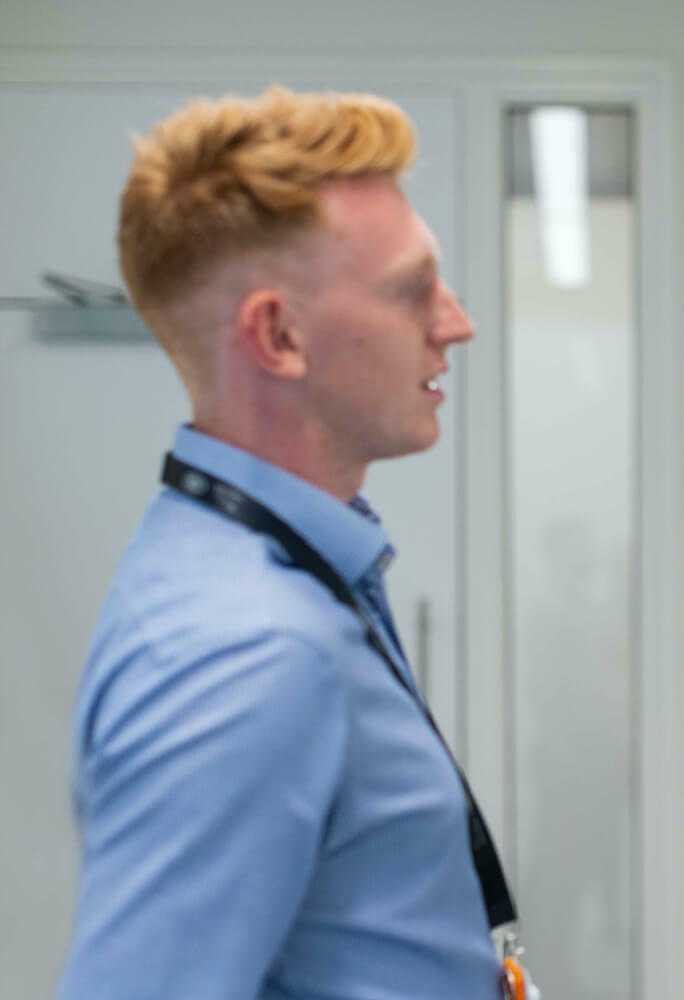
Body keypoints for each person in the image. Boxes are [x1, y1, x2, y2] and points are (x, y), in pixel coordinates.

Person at [59, 87, 521, 999]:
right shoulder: (246, 651)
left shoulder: (267, 567)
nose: (456, 322)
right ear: (277, 334)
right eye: (411, 288)